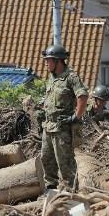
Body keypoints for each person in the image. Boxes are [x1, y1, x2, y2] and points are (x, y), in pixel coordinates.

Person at [39, 43, 88, 191]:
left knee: (65, 163)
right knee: (46, 160)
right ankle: (50, 190)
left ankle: (71, 193)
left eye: (49, 60)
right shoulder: (52, 78)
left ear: (58, 61)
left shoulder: (71, 77)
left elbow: (83, 96)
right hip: (48, 127)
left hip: (62, 128)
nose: (46, 63)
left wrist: (76, 117)